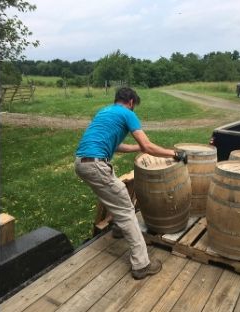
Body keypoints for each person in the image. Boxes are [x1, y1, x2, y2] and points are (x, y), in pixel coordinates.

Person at [74, 87, 187, 280]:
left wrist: (137, 147)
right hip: (96, 165)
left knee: (118, 194)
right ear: (132, 102)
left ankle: (119, 230)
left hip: (81, 163)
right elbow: (148, 146)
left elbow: (114, 145)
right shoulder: (127, 113)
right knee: (127, 211)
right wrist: (174, 153)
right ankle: (142, 265)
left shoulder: (105, 112)